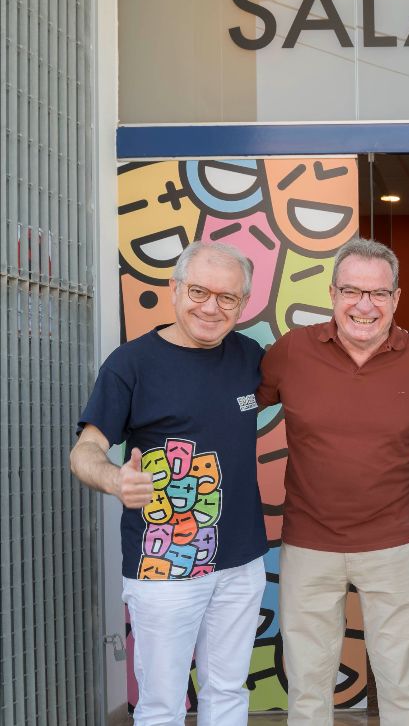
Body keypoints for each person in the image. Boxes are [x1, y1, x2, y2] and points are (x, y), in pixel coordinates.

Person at [71, 241, 267, 725]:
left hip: (241, 561)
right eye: (199, 291)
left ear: (243, 305)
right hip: (164, 565)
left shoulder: (249, 356)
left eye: (228, 298)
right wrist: (117, 479)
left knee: (227, 690)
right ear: (175, 289)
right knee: (161, 705)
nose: (211, 307)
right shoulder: (131, 364)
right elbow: (85, 451)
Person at [256, 237, 409, 726]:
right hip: (308, 544)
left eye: (379, 293)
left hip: (393, 544)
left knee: (403, 687)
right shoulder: (290, 353)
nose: (365, 305)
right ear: (332, 293)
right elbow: (231, 412)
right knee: (307, 688)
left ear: (396, 298)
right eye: (352, 291)